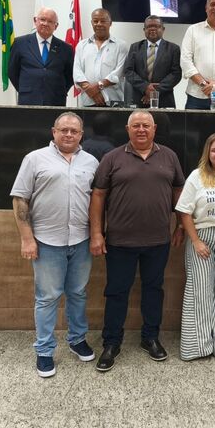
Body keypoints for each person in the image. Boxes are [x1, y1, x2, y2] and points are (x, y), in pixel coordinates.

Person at [89, 110, 186, 371]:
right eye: (136, 126)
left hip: (158, 241)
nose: (141, 129)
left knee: (154, 290)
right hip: (120, 242)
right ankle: (111, 343)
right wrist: (96, 233)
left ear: (154, 129)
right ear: (127, 129)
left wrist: (180, 224)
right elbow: (97, 196)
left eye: (146, 125)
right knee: (117, 292)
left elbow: (179, 191)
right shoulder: (112, 158)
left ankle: (150, 338)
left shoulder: (169, 156)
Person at [10, 112, 99, 378]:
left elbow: (97, 201)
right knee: (47, 298)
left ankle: (76, 339)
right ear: (54, 132)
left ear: (81, 134)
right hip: (47, 242)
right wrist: (27, 238)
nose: (69, 134)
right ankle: (45, 351)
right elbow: (19, 200)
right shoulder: (35, 159)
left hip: (81, 240)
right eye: (64, 130)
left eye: (74, 131)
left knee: (78, 293)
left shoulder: (91, 162)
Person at [175, 133, 215, 361]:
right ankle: (197, 346)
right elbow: (183, 211)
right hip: (202, 236)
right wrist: (195, 240)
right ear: (208, 153)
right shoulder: (197, 176)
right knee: (200, 293)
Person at [8, 7, 74, 106]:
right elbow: (12, 71)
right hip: (28, 99)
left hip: (56, 100)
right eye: (42, 19)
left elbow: (70, 76)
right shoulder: (19, 43)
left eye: (50, 21)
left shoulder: (66, 48)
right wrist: (25, 88)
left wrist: (58, 89)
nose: (45, 23)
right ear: (35, 21)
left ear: (56, 26)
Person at [73, 8, 129, 107]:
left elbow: (119, 72)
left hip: (113, 101)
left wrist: (97, 87)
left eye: (103, 21)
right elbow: (77, 72)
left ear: (110, 23)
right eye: (95, 21)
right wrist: (90, 91)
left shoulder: (121, 45)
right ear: (91, 23)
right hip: (88, 100)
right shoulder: (81, 45)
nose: (99, 24)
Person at [124, 16, 182, 108]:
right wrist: (145, 87)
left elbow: (176, 74)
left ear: (163, 29)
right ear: (144, 29)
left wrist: (155, 91)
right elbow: (128, 71)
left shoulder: (173, 48)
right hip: (140, 99)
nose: (152, 29)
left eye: (156, 26)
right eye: (149, 27)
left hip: (164, 100)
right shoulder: (135, 47)